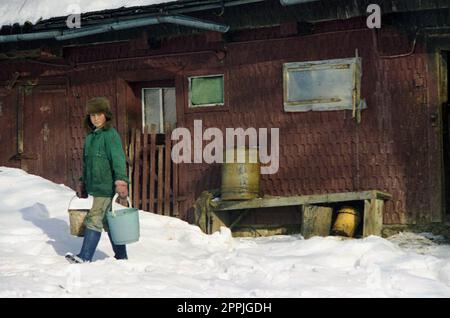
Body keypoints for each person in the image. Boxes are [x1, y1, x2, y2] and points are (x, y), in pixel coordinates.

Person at [65, 97, 129, 263]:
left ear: (106, 115)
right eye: (92, 115)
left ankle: (85, 257)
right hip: (95, 186)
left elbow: (118, 159)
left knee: (94, 218)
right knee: (108, 221)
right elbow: (87, 164)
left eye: (99, 114)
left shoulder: (110, 135)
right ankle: (122, 257)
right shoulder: (91, 137)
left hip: (106, 186)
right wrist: (83, 182)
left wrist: (121, 180)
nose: (95, 118)